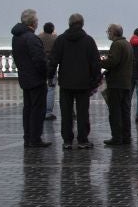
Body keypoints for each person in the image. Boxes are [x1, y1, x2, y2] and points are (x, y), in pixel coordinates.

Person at [50, 13, 101, 149]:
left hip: (66, 82)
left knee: (66, 112)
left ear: (69, 24)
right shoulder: (88, 41)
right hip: (83, 83)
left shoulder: (60, 40)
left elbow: (54, 60)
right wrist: (95, 80)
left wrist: (50, 76)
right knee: (83, 112)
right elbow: (95, 63)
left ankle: (67, 140)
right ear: (82, 24)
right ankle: (82, 139)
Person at [11, 9, 50, 147]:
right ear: (33, 22)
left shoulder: (16, 37)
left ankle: (28, 137)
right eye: (37, 20)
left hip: (24, 77)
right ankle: (35, 138)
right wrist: (46, 74)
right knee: (37, 110)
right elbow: (40, 60)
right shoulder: (32, 38)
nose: (38, 22)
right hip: (36, 79)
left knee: (27, 109)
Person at [101, 23, 133, 145]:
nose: (107, 33)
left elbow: (113, 62)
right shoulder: (127, 44)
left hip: (116, 83)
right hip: (126, 82)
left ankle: (117, 137)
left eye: (108, 31)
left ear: (113, 32)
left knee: (115, 111)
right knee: (125, 111)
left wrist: (101, 62)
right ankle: (126, 136)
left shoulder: (117, 44)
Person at [39, 21, 58, 120]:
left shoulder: (38, 37)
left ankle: (40, 110)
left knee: (40, 87)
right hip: (51, 65)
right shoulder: (55, 38)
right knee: (51, 88)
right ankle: (48, 112)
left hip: (40, 64)